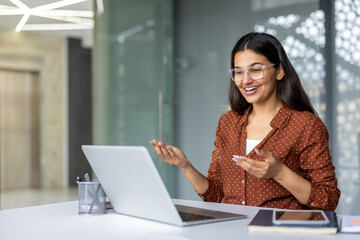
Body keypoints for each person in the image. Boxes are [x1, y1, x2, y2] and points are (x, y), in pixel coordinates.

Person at [150, 32, 340, 211]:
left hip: (280, 233)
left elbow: (328, 199)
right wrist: (185, 165)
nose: (245, 80)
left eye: (256, 70)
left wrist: (280, 172)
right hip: (231, 230)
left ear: (280, 71)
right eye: (238, 72)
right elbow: (216, 195)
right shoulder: (228, 122)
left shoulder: (306, 124)